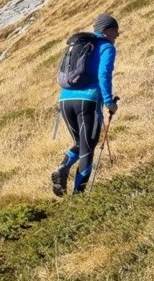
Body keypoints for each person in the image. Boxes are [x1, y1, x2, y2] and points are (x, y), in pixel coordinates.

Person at [51, 13, 120, 195]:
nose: (117, 34)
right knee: (88, 148)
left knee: (80, 142)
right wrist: (109, 102)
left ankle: (62, 168)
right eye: (115, 30)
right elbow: (104, 75)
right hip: (88, 101)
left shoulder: (80, 45)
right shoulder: (106, 47)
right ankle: (78, 197)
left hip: (65, 100)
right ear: (106, 31)